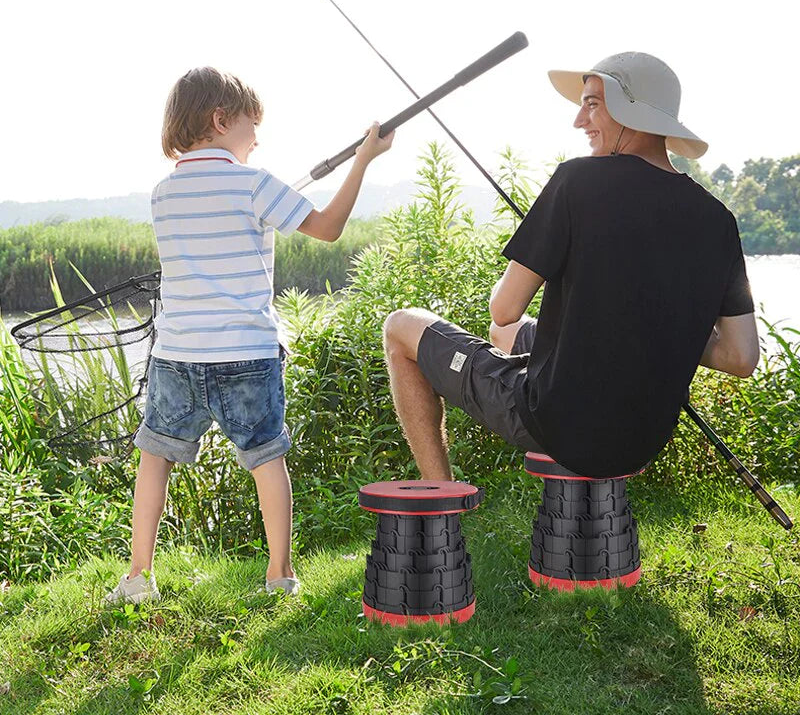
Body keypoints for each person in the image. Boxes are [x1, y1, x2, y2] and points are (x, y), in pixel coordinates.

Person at [383, 52, 758, 482]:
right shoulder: (718, 219)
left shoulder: (577, 180)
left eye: (592, 104)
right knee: (507, 336)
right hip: (642, 439)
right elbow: (740, 357)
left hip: (557, 425)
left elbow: (502, 308)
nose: (579, 121)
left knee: (400, 327)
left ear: (632, 111)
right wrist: (663, 325)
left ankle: (439, 490)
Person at [106, 67, 393, 604]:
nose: (257, 138)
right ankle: (279, 575)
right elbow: (328, 227)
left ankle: (138, 576)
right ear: (221, 120)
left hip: (177, 355)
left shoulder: (162, 193)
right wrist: (363, 160)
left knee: (155, 457)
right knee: (266, 458)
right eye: (250, 124)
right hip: (246, 353)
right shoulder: (254, 183)